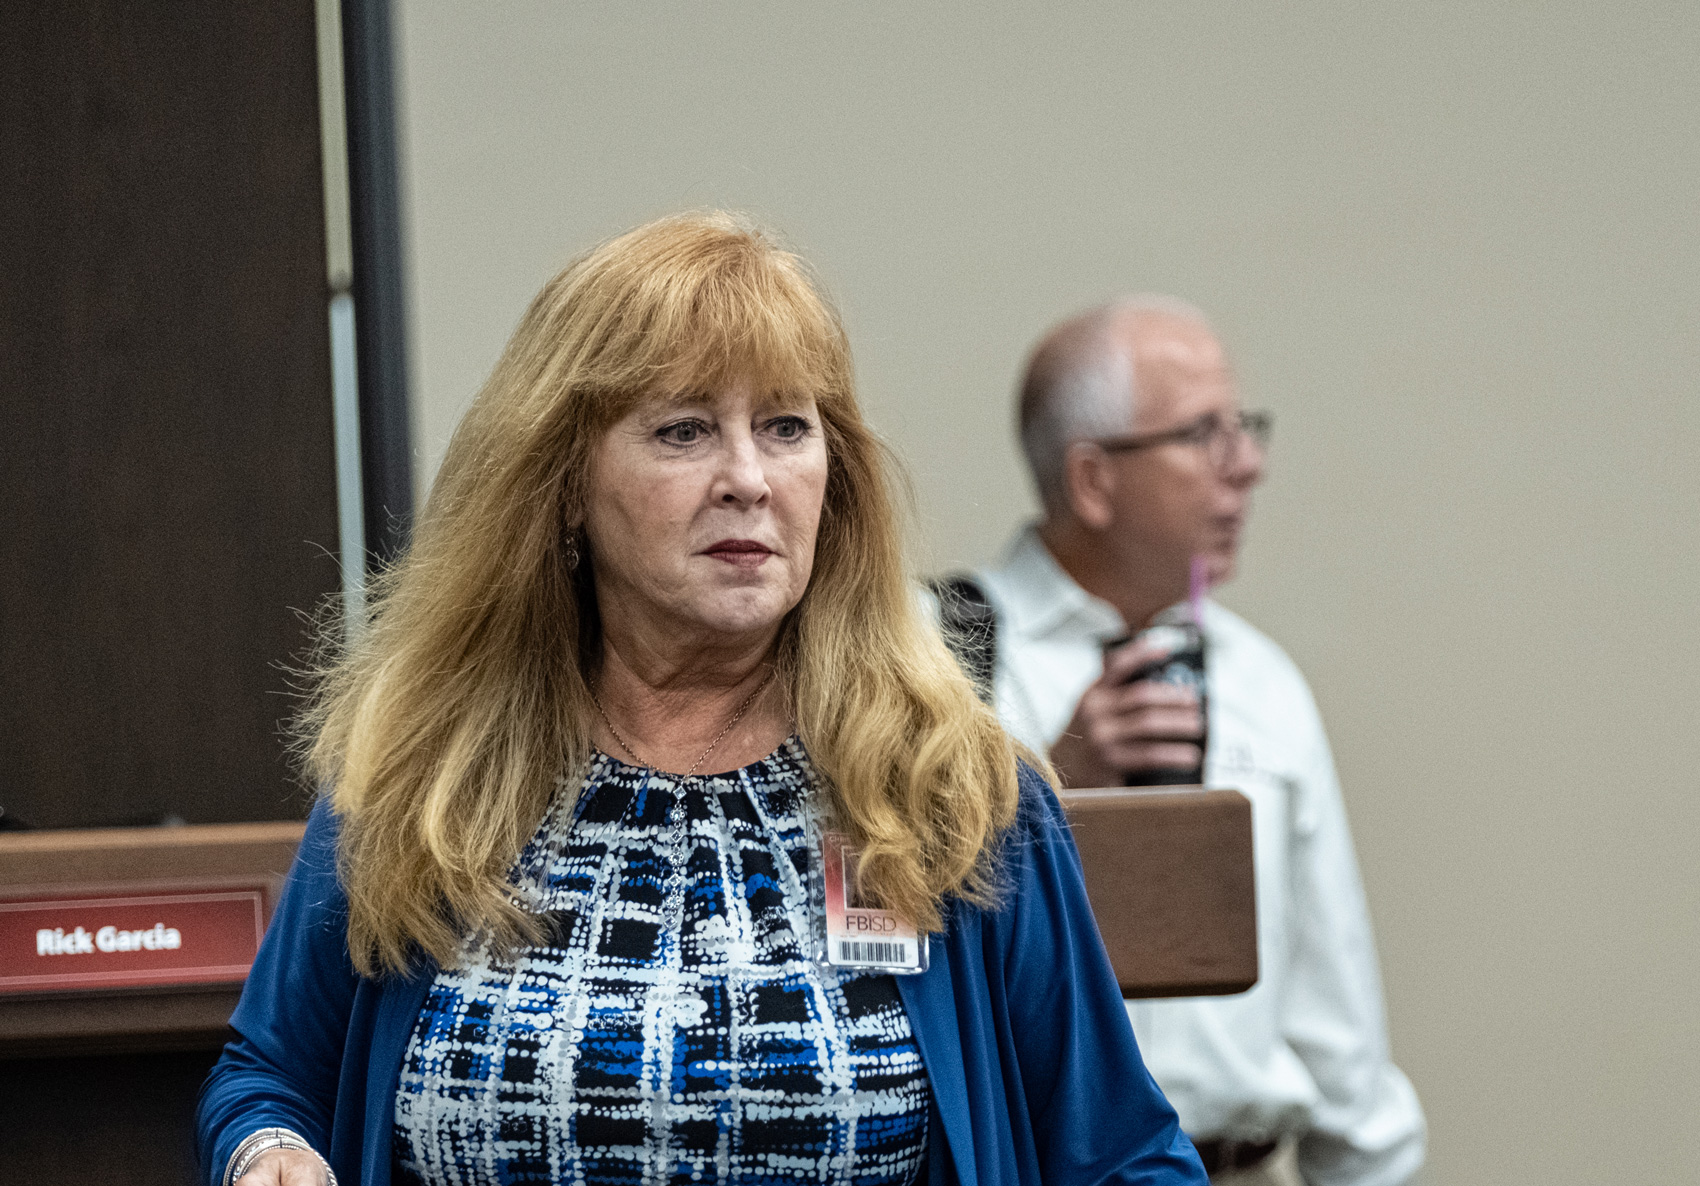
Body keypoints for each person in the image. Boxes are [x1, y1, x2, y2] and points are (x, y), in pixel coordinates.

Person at [195, 215, 1208, 1186]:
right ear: (563, 485)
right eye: (683, 430)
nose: (748, 479)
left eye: (784, 428)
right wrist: (268, 1146)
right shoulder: (429, 771)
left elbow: (1118, 1153)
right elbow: (268, 1073)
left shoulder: (942, 789)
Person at [958, 299, 1425, 1185]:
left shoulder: (1261, 682)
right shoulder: (929, 661)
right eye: (1204, 434)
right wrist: (1045, 795)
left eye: (1245, 429)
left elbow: (1335, 1005)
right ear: (1093, 480)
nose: (1246, 466)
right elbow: (868, 939)